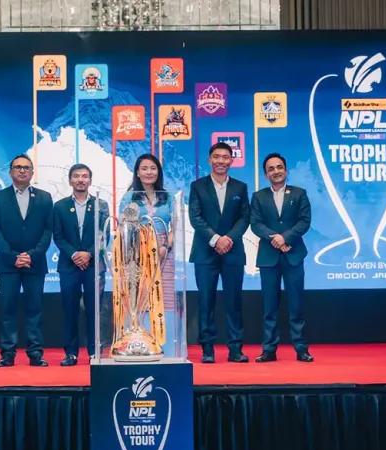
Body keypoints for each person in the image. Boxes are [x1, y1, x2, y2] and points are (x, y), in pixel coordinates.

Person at [188, 142, 250, 363]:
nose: (221, 161)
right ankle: (207, 349)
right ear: (209, 160)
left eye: (225, 157)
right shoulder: (197, 186)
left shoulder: (240, 187)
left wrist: (228, 239)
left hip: (233, 251)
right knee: (206, 301)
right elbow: (195, 217)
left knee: (234, 301)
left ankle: (236, 349)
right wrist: (216, 239)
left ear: (232, 160)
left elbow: (245, 218)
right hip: (205, 252)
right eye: (216, 157)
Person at [0, 155, 53, 367]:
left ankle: (35, 353)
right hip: (8, 264)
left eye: (26, 167)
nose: (22, 171)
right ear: (10, 172)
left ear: (32, 172)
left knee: (34, 310)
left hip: (35, 263)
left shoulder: (44, 198)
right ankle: (7, 353)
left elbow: (48, 231)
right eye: (18, 167)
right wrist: (13, 257)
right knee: (8, 310)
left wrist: (31, 255)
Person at [250, 152, 313, 363]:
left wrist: (285, 237)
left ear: (286, 170)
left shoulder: (299, 193)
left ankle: (301, 348)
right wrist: (275, 239)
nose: (276, 171)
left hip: (293, 255)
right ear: (266, 175)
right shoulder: (258, 197)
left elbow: (304, 221)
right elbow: (256, 224)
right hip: (269, 258)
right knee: (270, 307)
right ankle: (269, 349)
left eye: (279, 167)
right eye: (271, 169)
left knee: (296, 305)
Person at [118, 154, 178, 355]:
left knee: (165, 296)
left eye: (153, 168)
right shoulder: (129, 197)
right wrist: (142, 250)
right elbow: (124, 227)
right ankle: (139, 342)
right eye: (144, 168)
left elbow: (174, 228)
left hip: (164, 253)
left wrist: (164, 247)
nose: (149, 172)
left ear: (158, 172)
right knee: (140, 297)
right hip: (136, 254)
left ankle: (166, 347)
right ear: (137, 172)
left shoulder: (168, 197)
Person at [53, 164, 109, 366]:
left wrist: (89, 254)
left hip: (93, 266)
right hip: (69, 266)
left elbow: (104, 235)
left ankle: (95, 352)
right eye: (76, 176)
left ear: (90, 181)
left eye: (85, 176)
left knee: (95, 311)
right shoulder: (60, 206)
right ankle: (71, 353)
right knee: (70, 311)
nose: (80, 180)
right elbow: (58, 235)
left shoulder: (101, 205)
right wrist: (75, 254)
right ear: (70, 181)